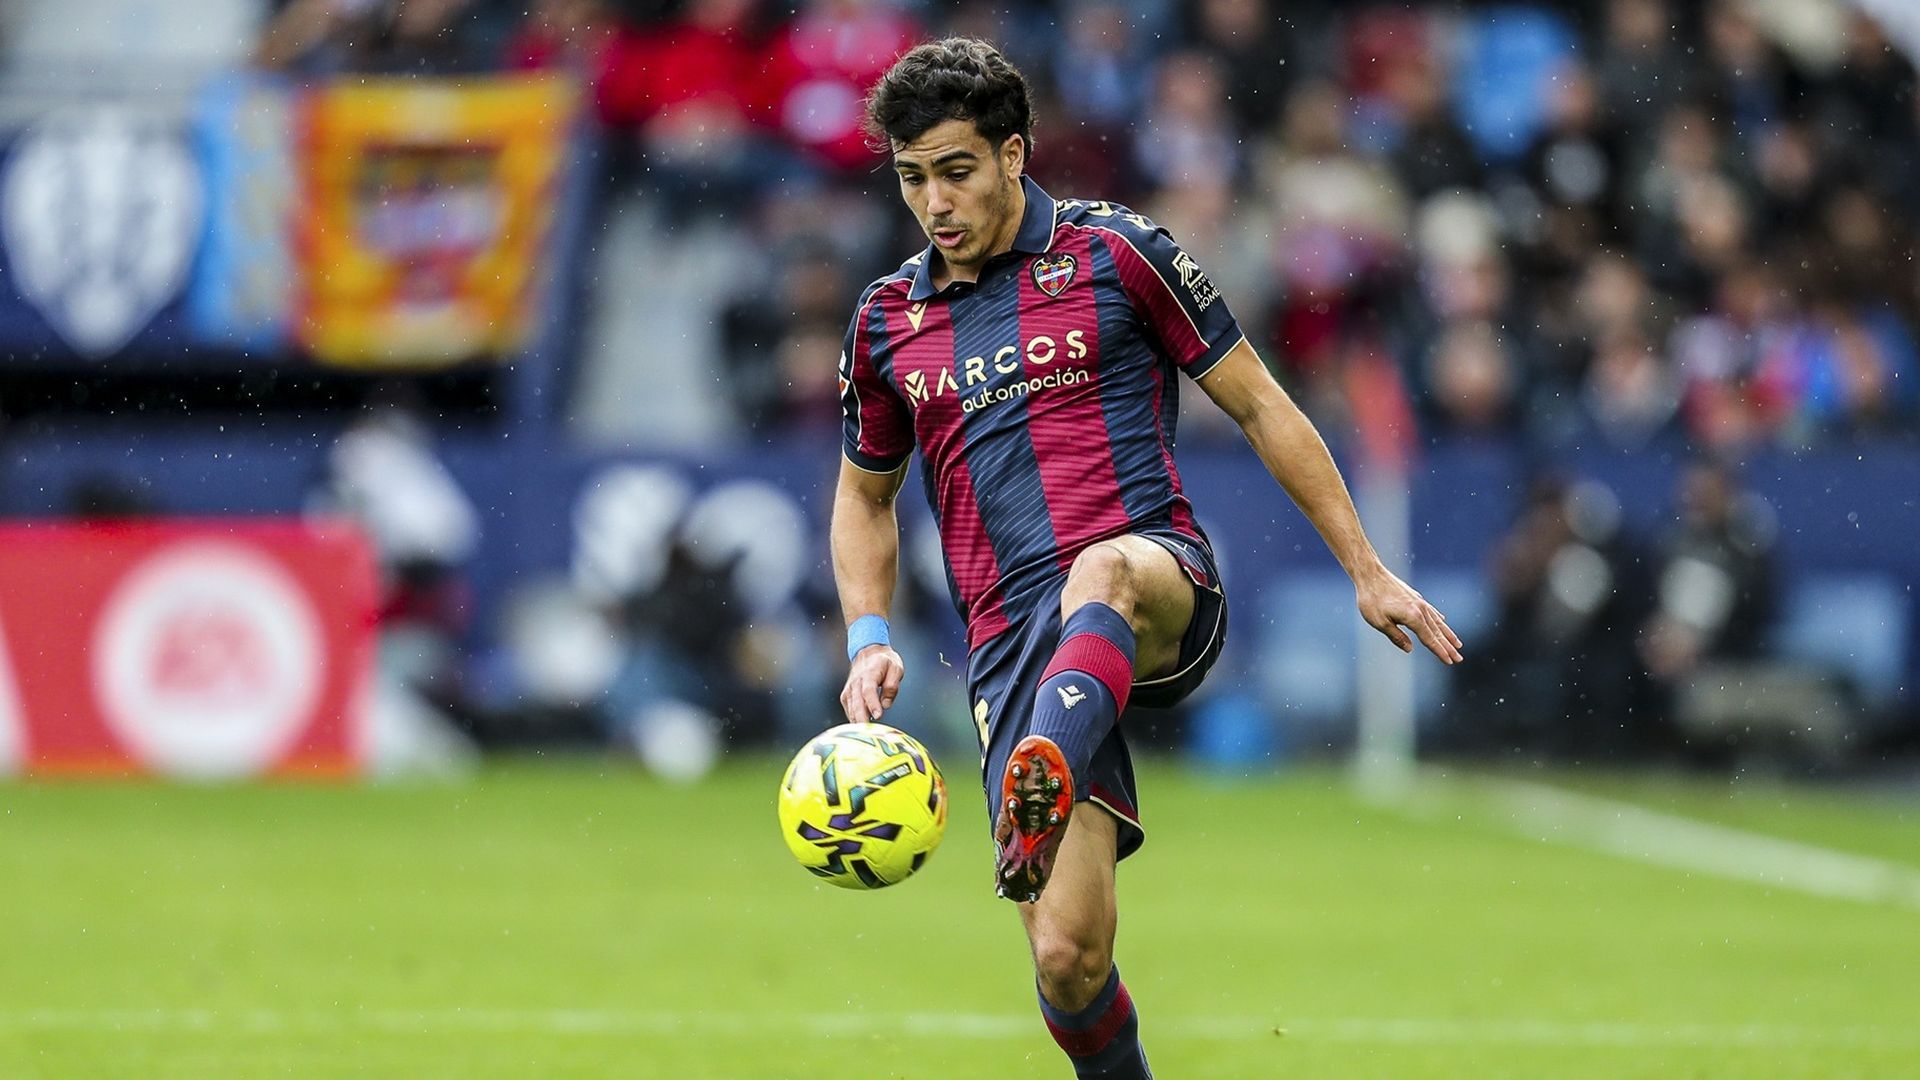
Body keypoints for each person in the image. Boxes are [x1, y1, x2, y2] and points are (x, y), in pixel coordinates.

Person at [828, 38, 1462, 1078]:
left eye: (955, 170)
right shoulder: (885, 320)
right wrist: (867, 636)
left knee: (1104, 573)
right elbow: (864, 495)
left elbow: (1259, 400)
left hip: (1154, 573)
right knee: (1069, 959)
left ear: (1014, 153)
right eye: (911, 179)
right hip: (1013, 645)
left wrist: (1366, 566)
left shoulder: (1117, 253)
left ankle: (1048, 763)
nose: (934, 202)